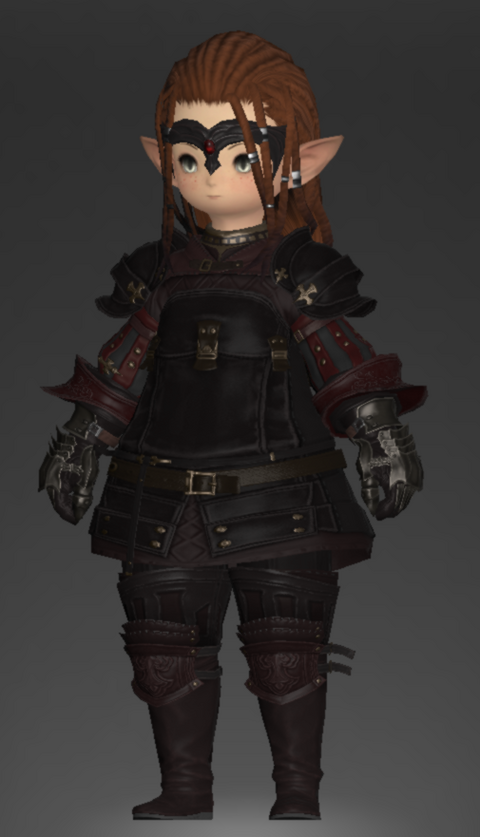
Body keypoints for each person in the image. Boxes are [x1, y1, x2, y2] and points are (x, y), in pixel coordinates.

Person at [38, 31, 427, 822]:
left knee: (289, 650)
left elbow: (342, 363)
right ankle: (186, 791)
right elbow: (121, 367)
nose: (211, 172)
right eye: (191, 154)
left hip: (281, 497)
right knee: (164, 645)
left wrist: (382, 436)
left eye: (240, 152)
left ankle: (297, 793)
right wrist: (78, 441)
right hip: (162, 497)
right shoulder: (160, 275)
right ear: (164, 159)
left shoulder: (297, 274)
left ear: (298, 162)